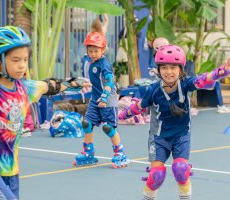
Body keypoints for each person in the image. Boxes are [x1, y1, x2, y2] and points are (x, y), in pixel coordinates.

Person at [119, 44, 230, 200]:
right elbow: (139, 106)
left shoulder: (185, 84)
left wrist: (220, 72)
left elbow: (203, 80)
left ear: (180, 69)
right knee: (156, 175)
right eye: (164, 67)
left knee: (180, 169)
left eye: (173, 67)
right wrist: (123, 114)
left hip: (181, 135)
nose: (169, 72)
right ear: (158, 70)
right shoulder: (153, 90)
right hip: (159, 138)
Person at [0, 25, 91, 200]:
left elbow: (50, 86)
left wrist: (74, 82)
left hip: (11, 169)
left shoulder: (25, 88)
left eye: (25, 60)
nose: (22, 65)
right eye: (15, 60)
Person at [74, 32, 129, 168]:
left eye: (96, 51)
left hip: (108, 99)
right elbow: (98, 81)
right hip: (95, 99)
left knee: (108, 128)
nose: (93, 53)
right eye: (90, 50)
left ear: (103, 50)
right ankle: (88, 153)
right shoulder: (91, 63)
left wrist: (104, 97)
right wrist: (85, 84)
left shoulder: (104, 64)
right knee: (87, 123)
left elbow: (110, 83)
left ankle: (120, 153)